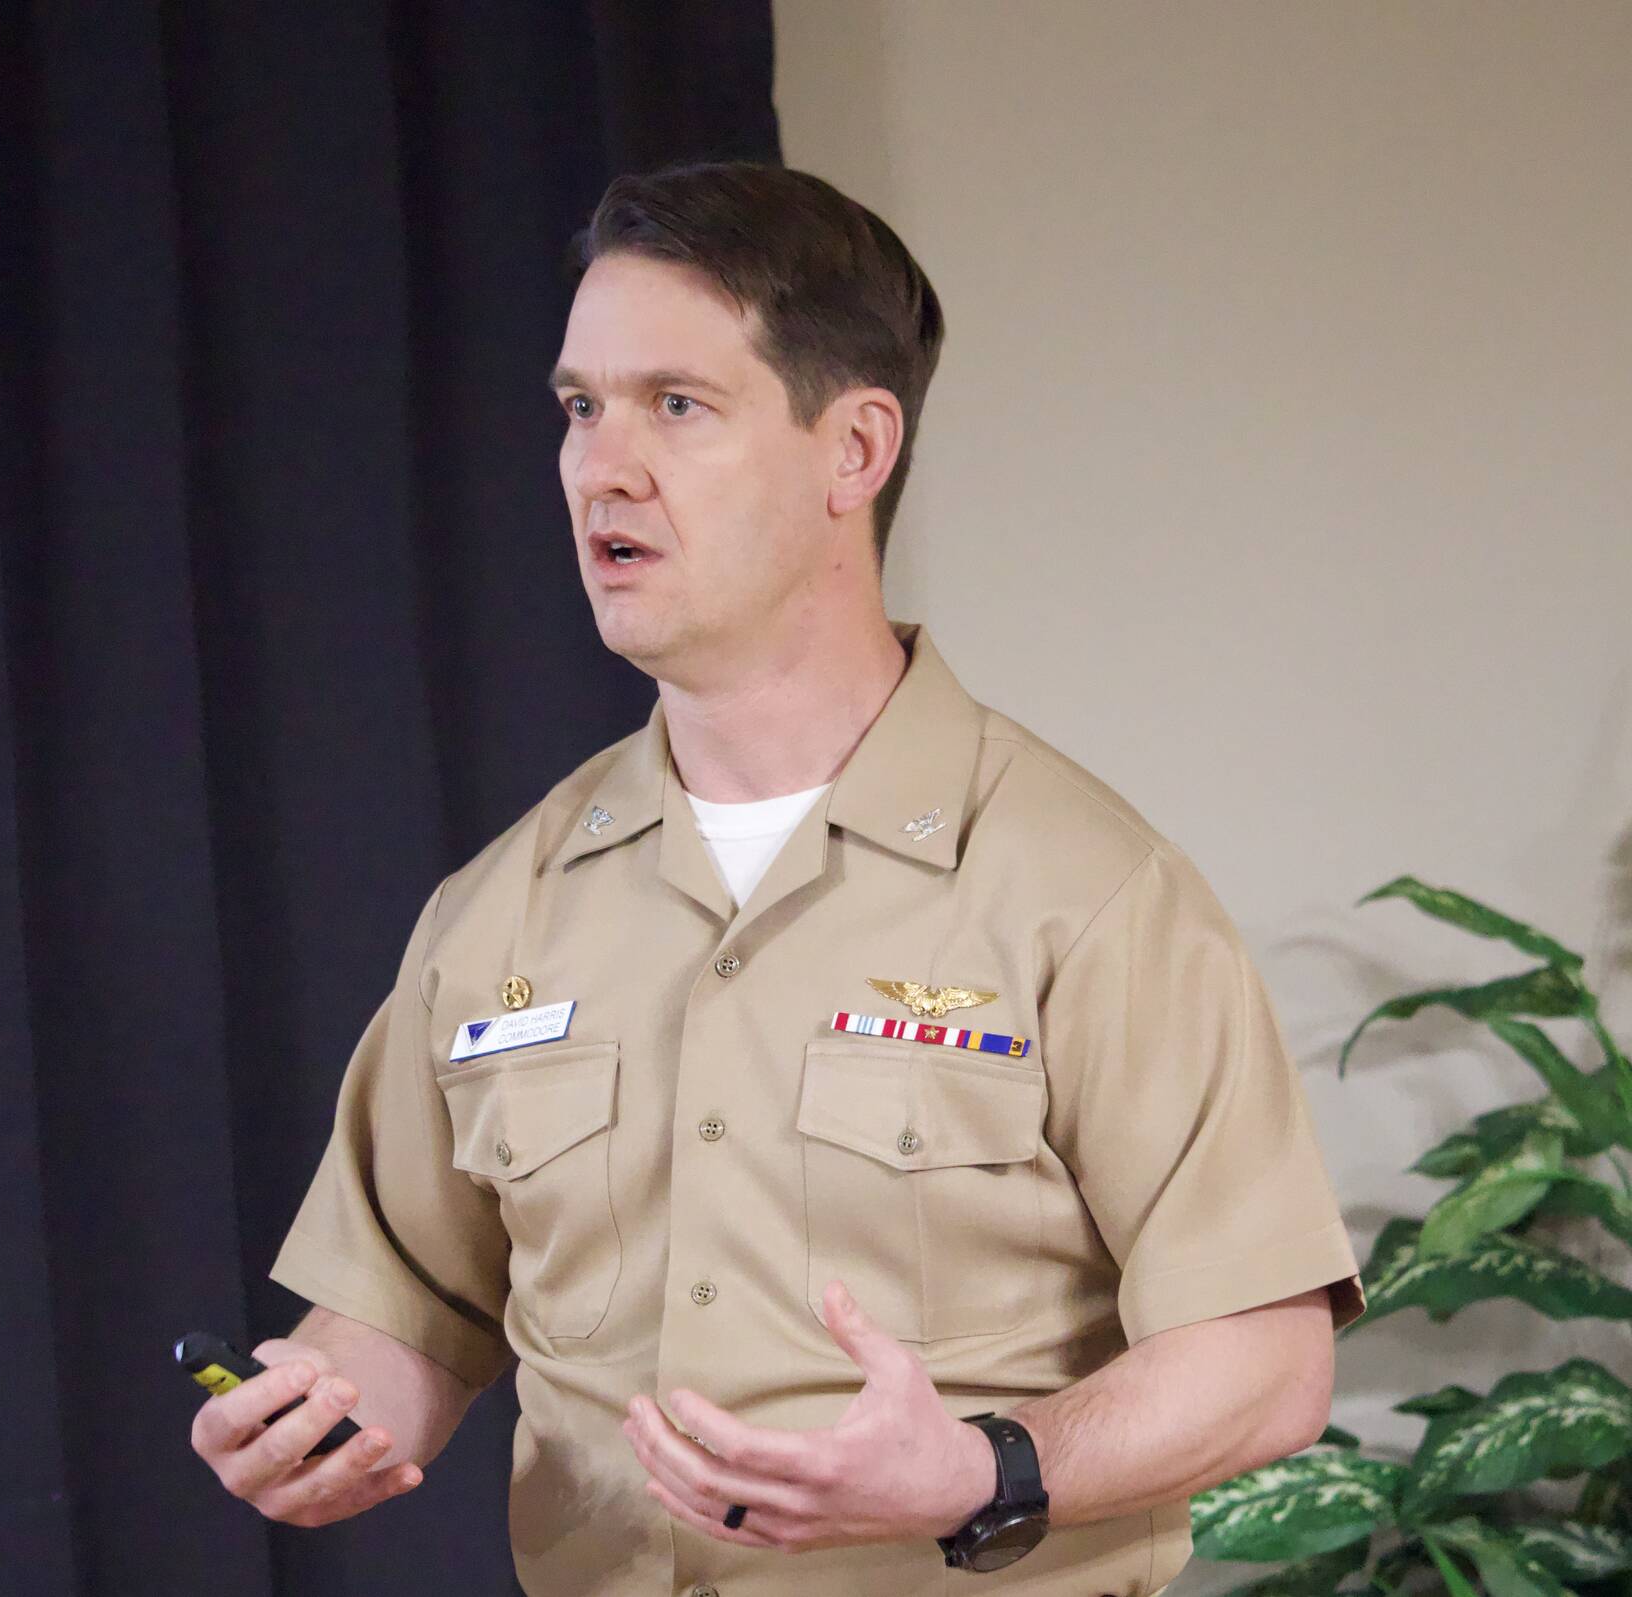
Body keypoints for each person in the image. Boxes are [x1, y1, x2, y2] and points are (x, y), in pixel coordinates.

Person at [189, 160, 1365, 1597]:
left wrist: (987, 1469)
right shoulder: (498, 911)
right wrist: (310, 1417)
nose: (598, 466)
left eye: (675, 406)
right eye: (579, 407)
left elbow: (1267, 1359)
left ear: (853, 450)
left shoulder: (1089, 893)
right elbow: (401, 1324)